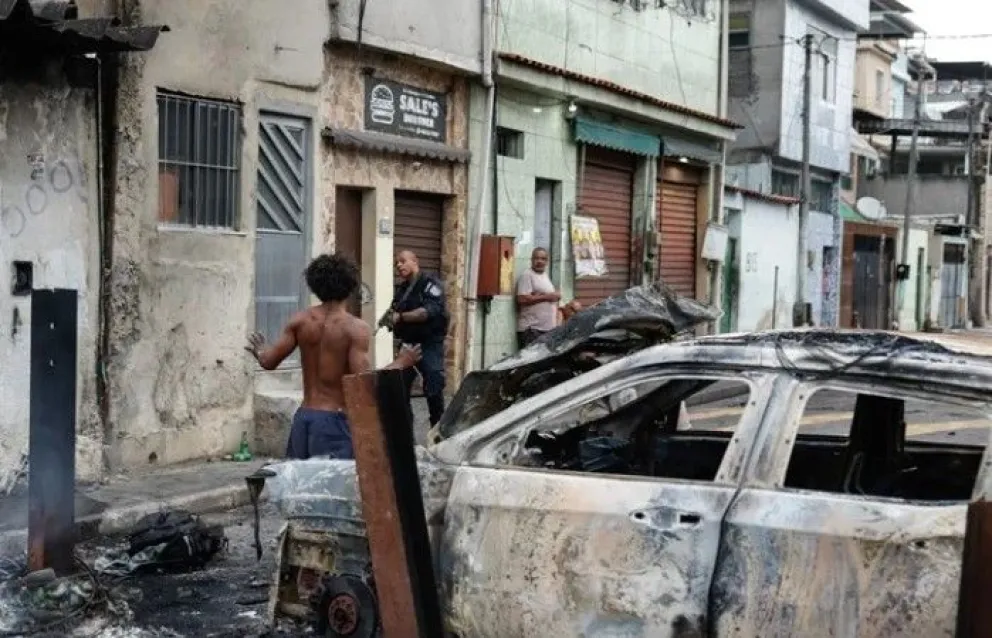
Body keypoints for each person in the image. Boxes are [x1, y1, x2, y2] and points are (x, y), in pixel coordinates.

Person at [245, 253, 421, 460]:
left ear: (315, 286)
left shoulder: (299, 321)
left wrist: (261, 349)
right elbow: (363, 383)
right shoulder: (355, 329)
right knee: (330, 489)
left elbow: (268, 361)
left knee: (300, 487)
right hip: (334, 422)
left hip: (304, 418)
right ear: (351, 287)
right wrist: (401, 362)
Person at [389, 250, 449, 427]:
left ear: (415, 261)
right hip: (408, 344)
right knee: (398, 388)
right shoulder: (402, 289)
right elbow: (395, 311)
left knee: (434, 386)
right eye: (396, 263)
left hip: (429, 343)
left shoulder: (430, 284)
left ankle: (437, 430)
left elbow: (427, 313)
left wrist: (400, 317)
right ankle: (406, 432)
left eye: (402, 261)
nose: (398, 265)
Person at [515, 247, 560, 349]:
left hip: (546, 330)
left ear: (547, 261)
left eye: (543, 259)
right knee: (531, 362)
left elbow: (549, 298)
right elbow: (521, 299)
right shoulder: (527, 275)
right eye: (537, 258)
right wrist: (548, 296)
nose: (540, 261)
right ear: (531, 260)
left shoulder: (544, 275)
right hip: (532, 330)